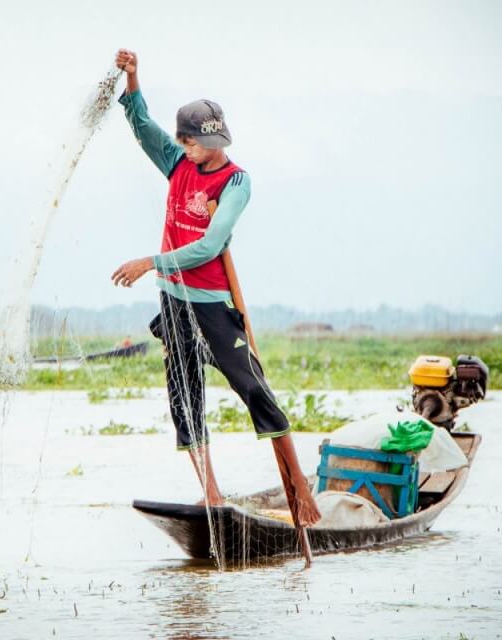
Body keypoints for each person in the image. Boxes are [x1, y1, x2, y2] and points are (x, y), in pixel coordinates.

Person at [111, 49, 320, 527]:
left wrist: (151, 261)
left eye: (196, 143)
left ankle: (300, 489)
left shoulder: (235, 181)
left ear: (213, 139)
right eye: (184, 143)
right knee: (185, 397)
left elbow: (209, 246)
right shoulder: (177, 161)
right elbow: (144, 128)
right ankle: (211, 493)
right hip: (173, 302)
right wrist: (135, 77)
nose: (188, 149)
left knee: (255, 389)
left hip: (210, 304)